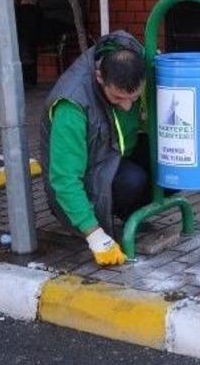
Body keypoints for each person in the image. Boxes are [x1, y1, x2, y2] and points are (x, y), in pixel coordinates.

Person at [40, 31, 151, 267]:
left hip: (116, 152)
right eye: (118, 98)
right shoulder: (72, 105)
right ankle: (104, 218)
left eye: (134, 97)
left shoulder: (141, 64)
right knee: (133, 179)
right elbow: (64, 178)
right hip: (89, 176)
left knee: (172, 163)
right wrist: (95, 235)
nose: (127, 105)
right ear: (100, 77)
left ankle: (129, 213)